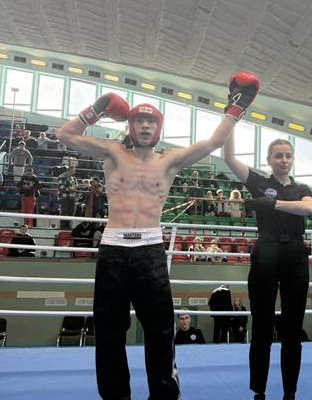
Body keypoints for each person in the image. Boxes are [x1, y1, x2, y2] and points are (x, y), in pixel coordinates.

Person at [56, 70, 259, 400]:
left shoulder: (169, 161)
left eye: (151, 122)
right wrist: (99, 108)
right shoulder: (112, 152)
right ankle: (116, 395)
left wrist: (238, 107)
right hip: (113, 249)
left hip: (149, 250)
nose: (145, 126)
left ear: (158, 128)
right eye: (139, 121)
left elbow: (213, 143)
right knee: (108, 329)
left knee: (160, 328)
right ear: (130, 126)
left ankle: (163, 394)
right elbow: (65, 134)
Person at [223, 134, 312, 400]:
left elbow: (308, 209)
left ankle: (290, 392)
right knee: (262, 324)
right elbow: (229, 158)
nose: (284, 160)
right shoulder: (259, 183)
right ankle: (259, 390)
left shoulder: (302, 188)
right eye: (278, 156)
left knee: (292, 327)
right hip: (267, 251)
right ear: (268, 159)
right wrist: (232, 122)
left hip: (295, 253)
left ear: (293, 159)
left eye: (288, 155)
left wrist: (273, 204)